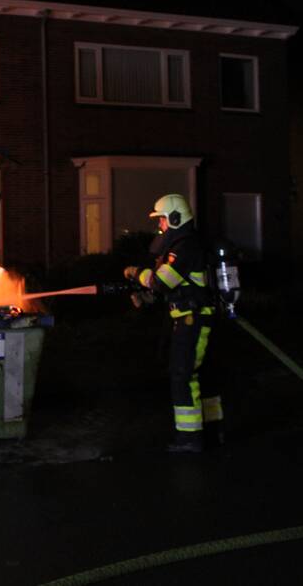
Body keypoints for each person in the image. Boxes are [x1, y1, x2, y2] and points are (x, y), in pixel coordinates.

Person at [124, 194, 224, 454]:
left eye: (163, 220)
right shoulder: (184, 245)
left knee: (183, 375)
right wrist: (147, 297)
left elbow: (161, 281)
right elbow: (176, 286)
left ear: (176, 218)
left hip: (193, 319)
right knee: (203, 375)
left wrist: (136, 273)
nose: (160, 226)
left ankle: (189, 438)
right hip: (194, 316)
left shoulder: (184, 246)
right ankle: (213, 430)